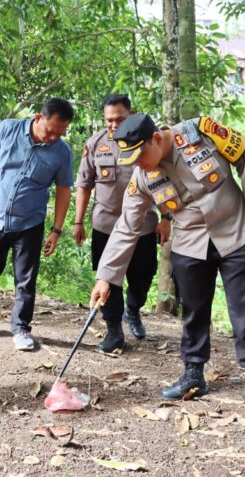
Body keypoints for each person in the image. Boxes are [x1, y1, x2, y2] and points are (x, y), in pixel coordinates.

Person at [89, 113, 245, 415]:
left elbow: (243, 160)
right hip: (190, 244)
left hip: (235, 231)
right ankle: (194, 375)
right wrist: (106, 277)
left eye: (140, 156)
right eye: (132, 160)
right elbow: (127, 226)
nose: (138, 165)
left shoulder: (201, 132)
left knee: (244, 309)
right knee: (193, 311)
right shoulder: (142, 175)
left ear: (156, 138)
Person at [0, 98, 75, 351]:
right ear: (38, 118)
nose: (53, 138)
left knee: (25, 280)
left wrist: (56, 231)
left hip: (30, 223)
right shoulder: (7, 129)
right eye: (50, 131)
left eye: (60, 133)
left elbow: (64, 191)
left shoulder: (62, 152)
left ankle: (21, 327)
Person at [73, 94, 169, 352]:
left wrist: (165, 217)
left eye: (119, 119)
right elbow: (83, 184)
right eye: (108, 120)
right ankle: (114, 330)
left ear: (132, 114)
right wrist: (77, 221)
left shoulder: (147, 141)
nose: (114, 125)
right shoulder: (95, 144)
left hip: (143, 226)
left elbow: (161, 181)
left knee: (142, 278)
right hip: (106, 225)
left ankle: (133, 309)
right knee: (108, 279)